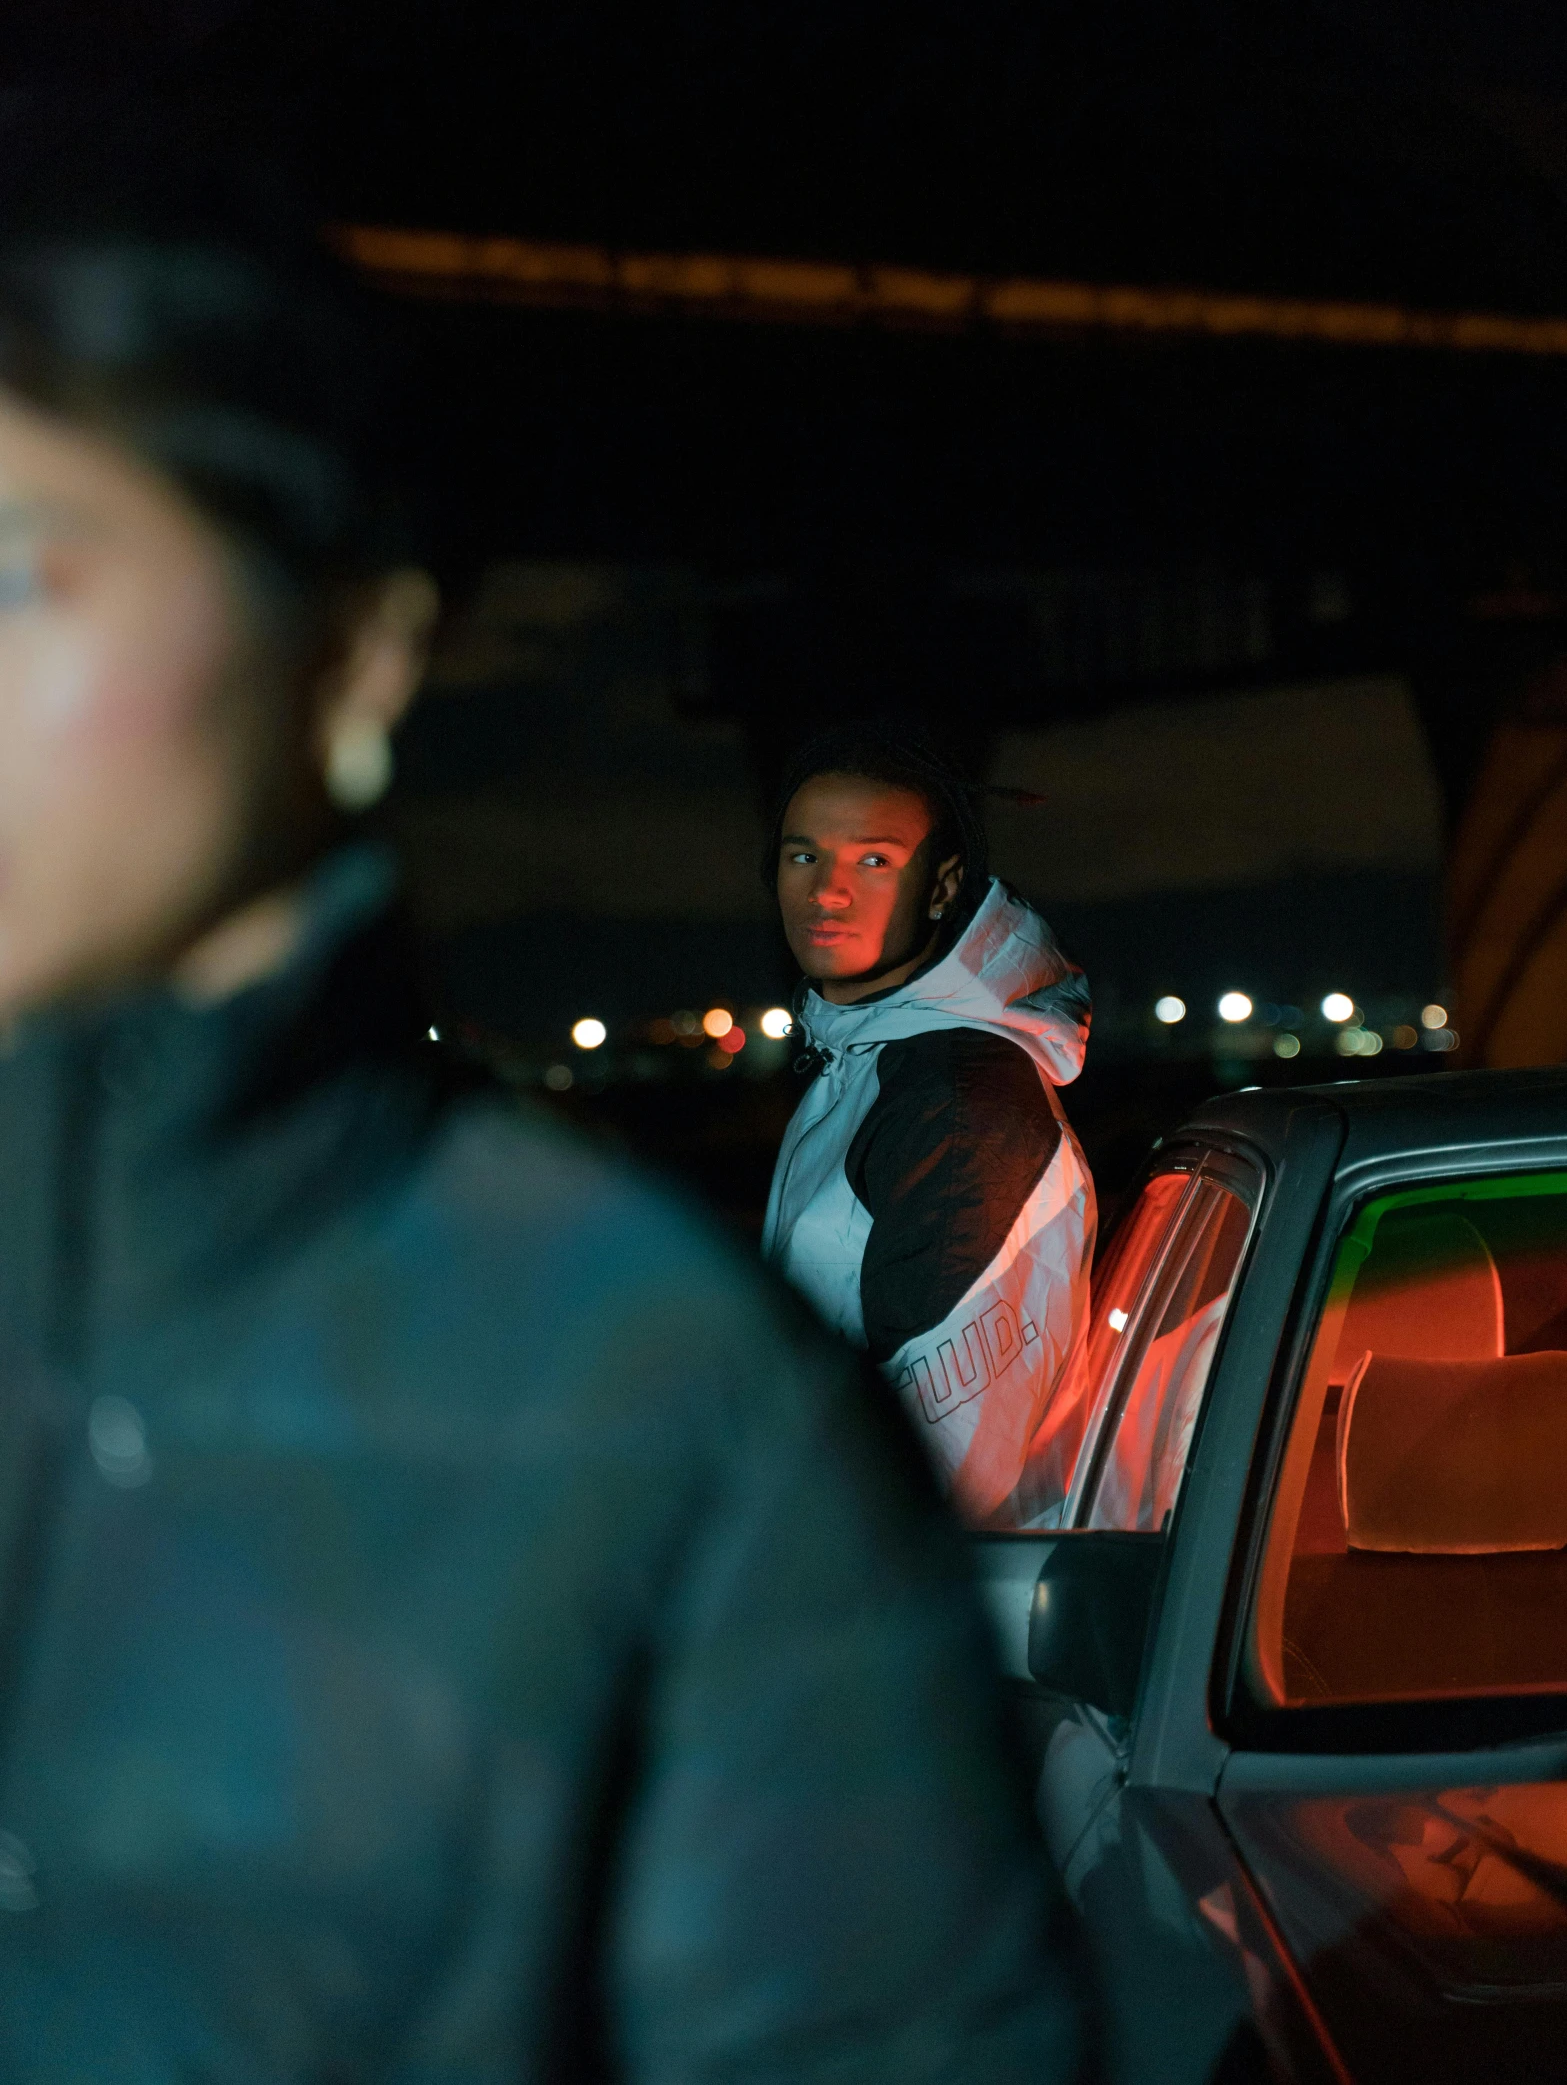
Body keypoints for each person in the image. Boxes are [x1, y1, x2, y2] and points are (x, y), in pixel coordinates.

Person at [0, 107, 1086, 2080]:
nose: (823, 890)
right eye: (797, 851)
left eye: (16, 573)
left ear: (350, 659)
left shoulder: (665, 1412)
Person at [761, 727, 1096, 1527]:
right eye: (803, 856)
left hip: (899, 1610)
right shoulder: (868, 1059)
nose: (827, 891)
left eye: (872, 860)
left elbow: (947, 1462)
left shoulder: (957, 1108)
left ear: (942, 886)